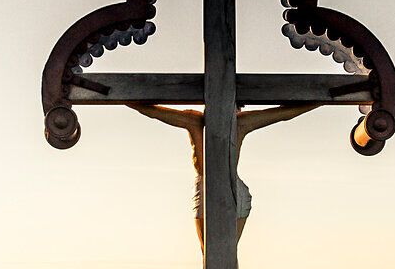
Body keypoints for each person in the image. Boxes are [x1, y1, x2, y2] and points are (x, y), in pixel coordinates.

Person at [127, 102, 321, 256]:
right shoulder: (194, 120)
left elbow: (284, 114)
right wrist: (118, 96)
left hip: (228, 186)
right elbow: (153, 111)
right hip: (208, 186)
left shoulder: (237, 122)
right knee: (213, 254)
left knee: (219, 254)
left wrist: (323, 101)